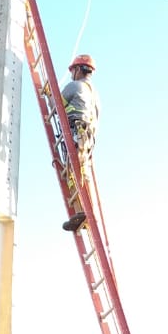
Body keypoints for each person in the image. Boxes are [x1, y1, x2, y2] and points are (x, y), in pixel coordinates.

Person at [59, 53, 99, 232]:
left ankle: (82, 212)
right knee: (82, 171)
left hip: (76, 132)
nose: (71, 75)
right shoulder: (94, 94)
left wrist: (49, 93)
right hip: (88, 137)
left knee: (74, 172)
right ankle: (86, 211)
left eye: (72, 71)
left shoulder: (74, 86)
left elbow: (56, 104)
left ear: (77, 70)